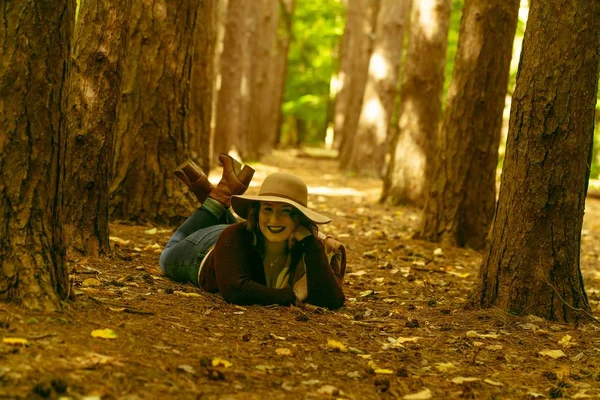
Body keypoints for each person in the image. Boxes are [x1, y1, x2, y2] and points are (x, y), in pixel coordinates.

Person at [160, 154, 346, 309]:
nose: (274, 219)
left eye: (285, 211)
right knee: (166, 257)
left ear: (300, 219)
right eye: (267, 209)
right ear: (256, 213)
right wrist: (292, 295)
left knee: (264, 229)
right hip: (204, 249)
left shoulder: (311, 244)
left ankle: (217, 196)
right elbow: (236, 290)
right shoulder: (235, 236)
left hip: (245, 238)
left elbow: (332, 300)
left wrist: (311, 245)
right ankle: (215, 202)